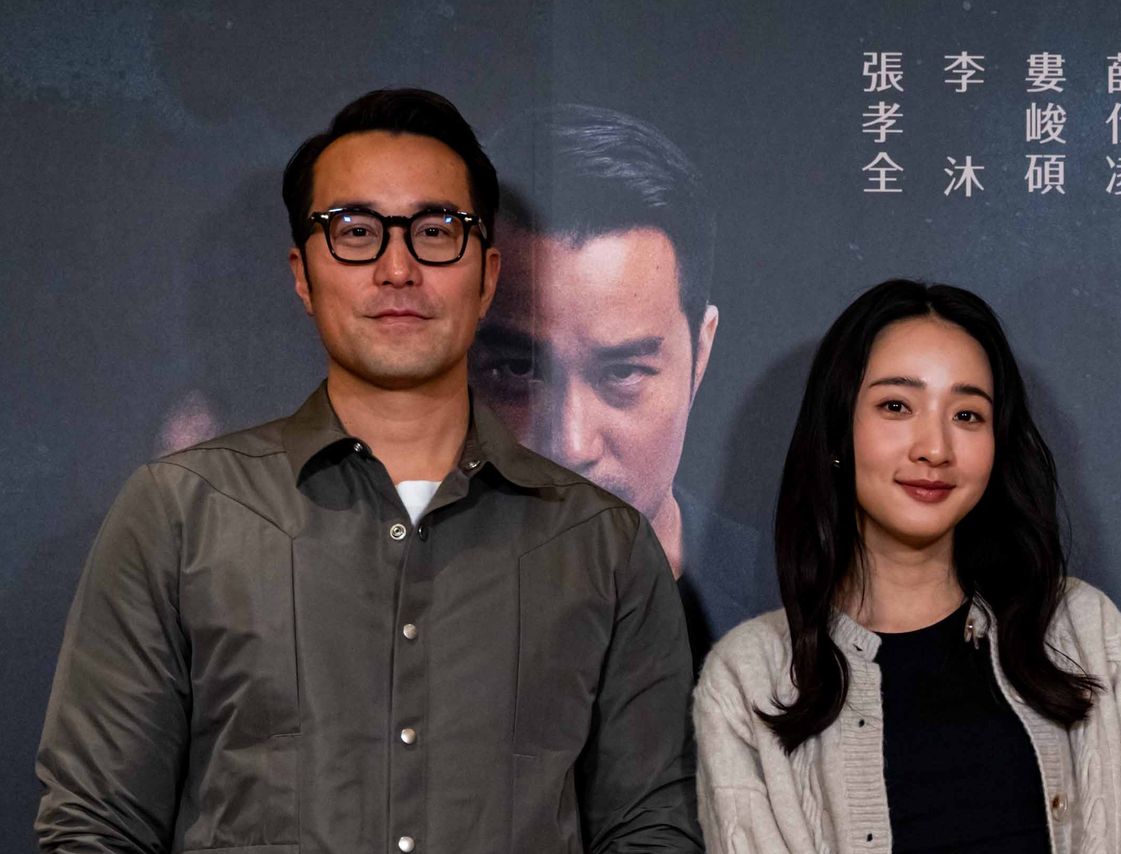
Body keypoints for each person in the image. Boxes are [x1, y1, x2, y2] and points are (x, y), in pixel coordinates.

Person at [35, 88, 701, 853]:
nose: (397, 268)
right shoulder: (181, 513)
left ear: (487, 275)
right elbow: (96, 823)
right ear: (302, 273)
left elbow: (650, 828)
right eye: (355, 232)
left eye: (435, 231)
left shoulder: (604, 544)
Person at [693, 280, 1121, 853]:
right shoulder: (748, 678)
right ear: (838, 432)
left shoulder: (1084, 630)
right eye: (896, 406)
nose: (935, 448)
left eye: (968, 414)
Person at [471, 105, 776, 663]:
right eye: (518, 370)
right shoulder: (368, 609)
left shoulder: (804, 606)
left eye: (622, 372)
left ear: (701, 354)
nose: (570, 446)